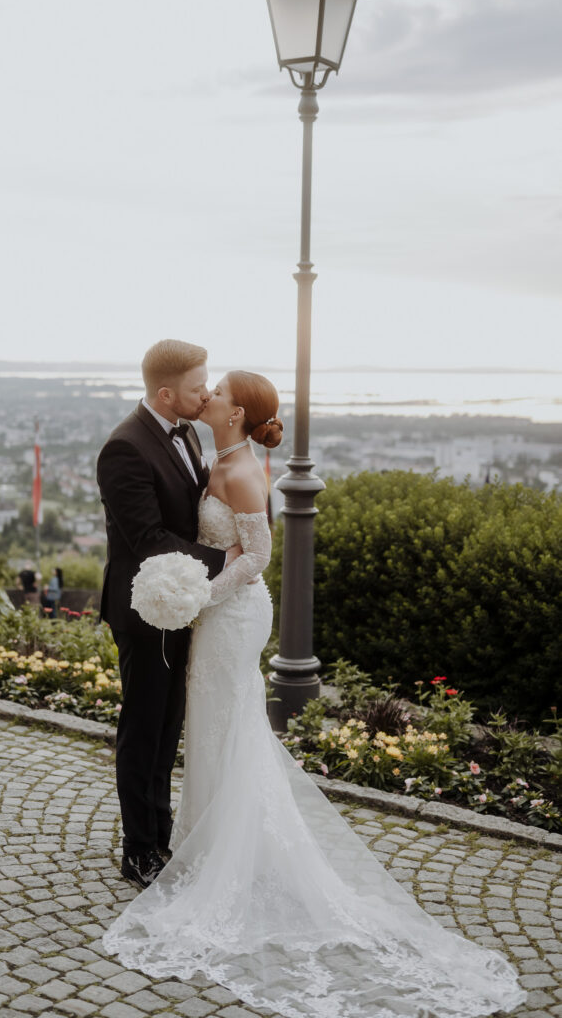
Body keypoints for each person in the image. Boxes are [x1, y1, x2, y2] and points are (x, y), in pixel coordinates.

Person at [102, 370, 525, 1018]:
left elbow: (257, 556)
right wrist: (198, 594)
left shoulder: (242, 469)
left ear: (236, 413)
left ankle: (228, 853)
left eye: (218, 391)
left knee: (226, 726)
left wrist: (200, 594)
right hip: (213, 616)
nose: (208, 395)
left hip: (229, 614)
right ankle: (201, 842)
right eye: (203, 386)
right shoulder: (215, 451)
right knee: (211, 727)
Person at [96, 340, 237, 891]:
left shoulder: (189, 433)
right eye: (198, 387)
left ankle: (160, 836)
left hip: (182, 602)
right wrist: (226, 560)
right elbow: (149, 539)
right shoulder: (124, 448)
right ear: (165, 393)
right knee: (143, 728)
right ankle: (137, 850)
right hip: (144, 609)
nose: (206, 394)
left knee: (168, 725)